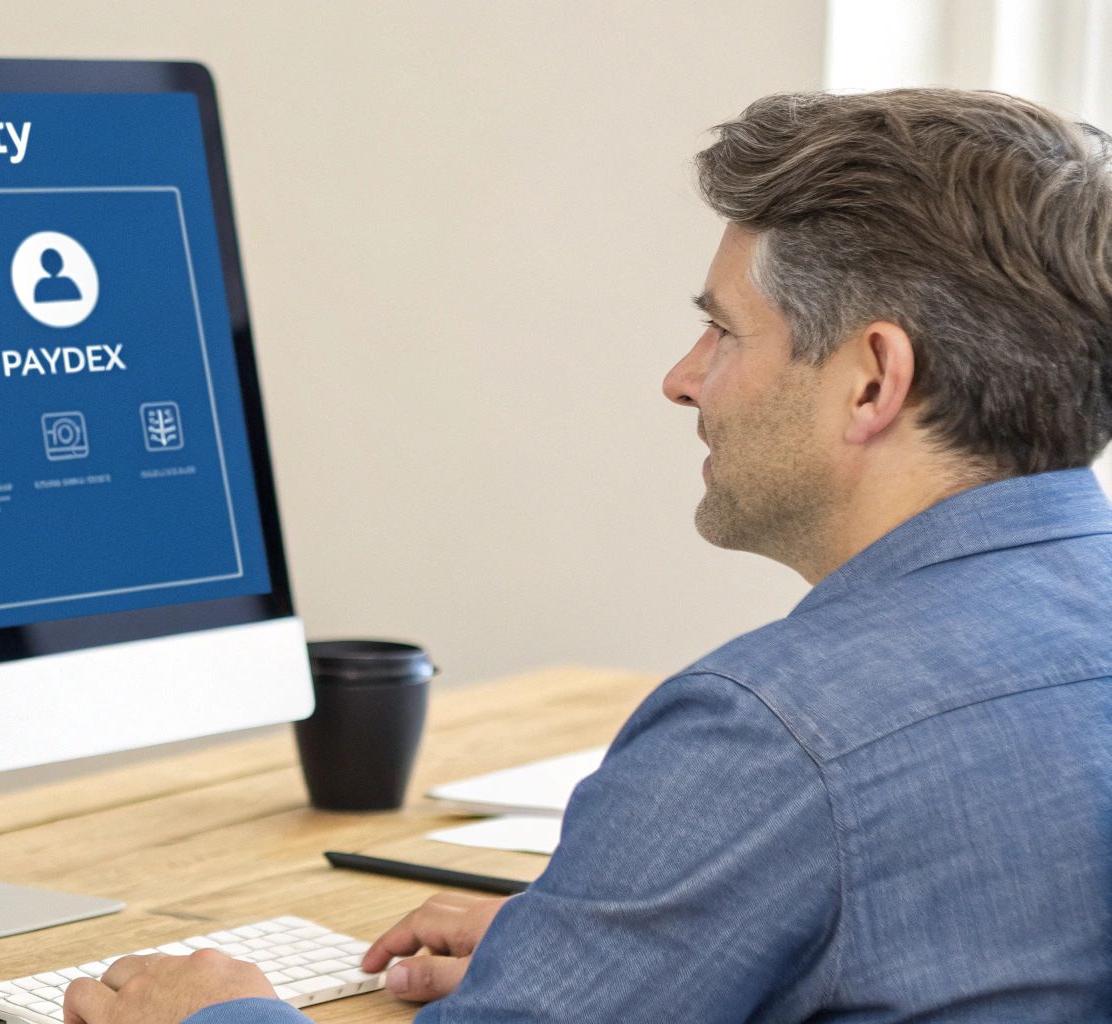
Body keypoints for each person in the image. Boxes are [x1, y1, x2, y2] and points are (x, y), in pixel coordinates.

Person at [62, 88, 1112, 1024]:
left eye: (724, 333)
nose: (680, 378)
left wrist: (218, 1014)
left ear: (872, 381)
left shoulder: (771, 737)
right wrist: (600, 949)